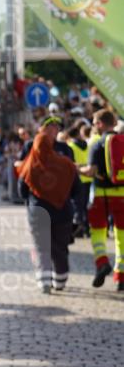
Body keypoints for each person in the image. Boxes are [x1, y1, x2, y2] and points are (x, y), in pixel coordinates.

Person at [17, 116, 81, 293]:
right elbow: (76, 185)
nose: (54, 130)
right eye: (50, 126)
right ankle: (59, 280)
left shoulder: (32, 162)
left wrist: (30, 200)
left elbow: (22, 187)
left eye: (56, 127)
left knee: (42, 245)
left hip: (39, 209)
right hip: (62, 210)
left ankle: (45, 280)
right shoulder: (66, 162)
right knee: (58, 246)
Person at [83, 109, 124, 290]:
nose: (93, 127)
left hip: (101, 195)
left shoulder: (97, 144)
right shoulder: (122, 142)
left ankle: (102, 262)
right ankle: (121, 276)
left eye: (94, 123)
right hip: (122, 194)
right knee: (122, 235)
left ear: (100, 124)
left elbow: (90, 171)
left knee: (98, 232)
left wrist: (76, 168)